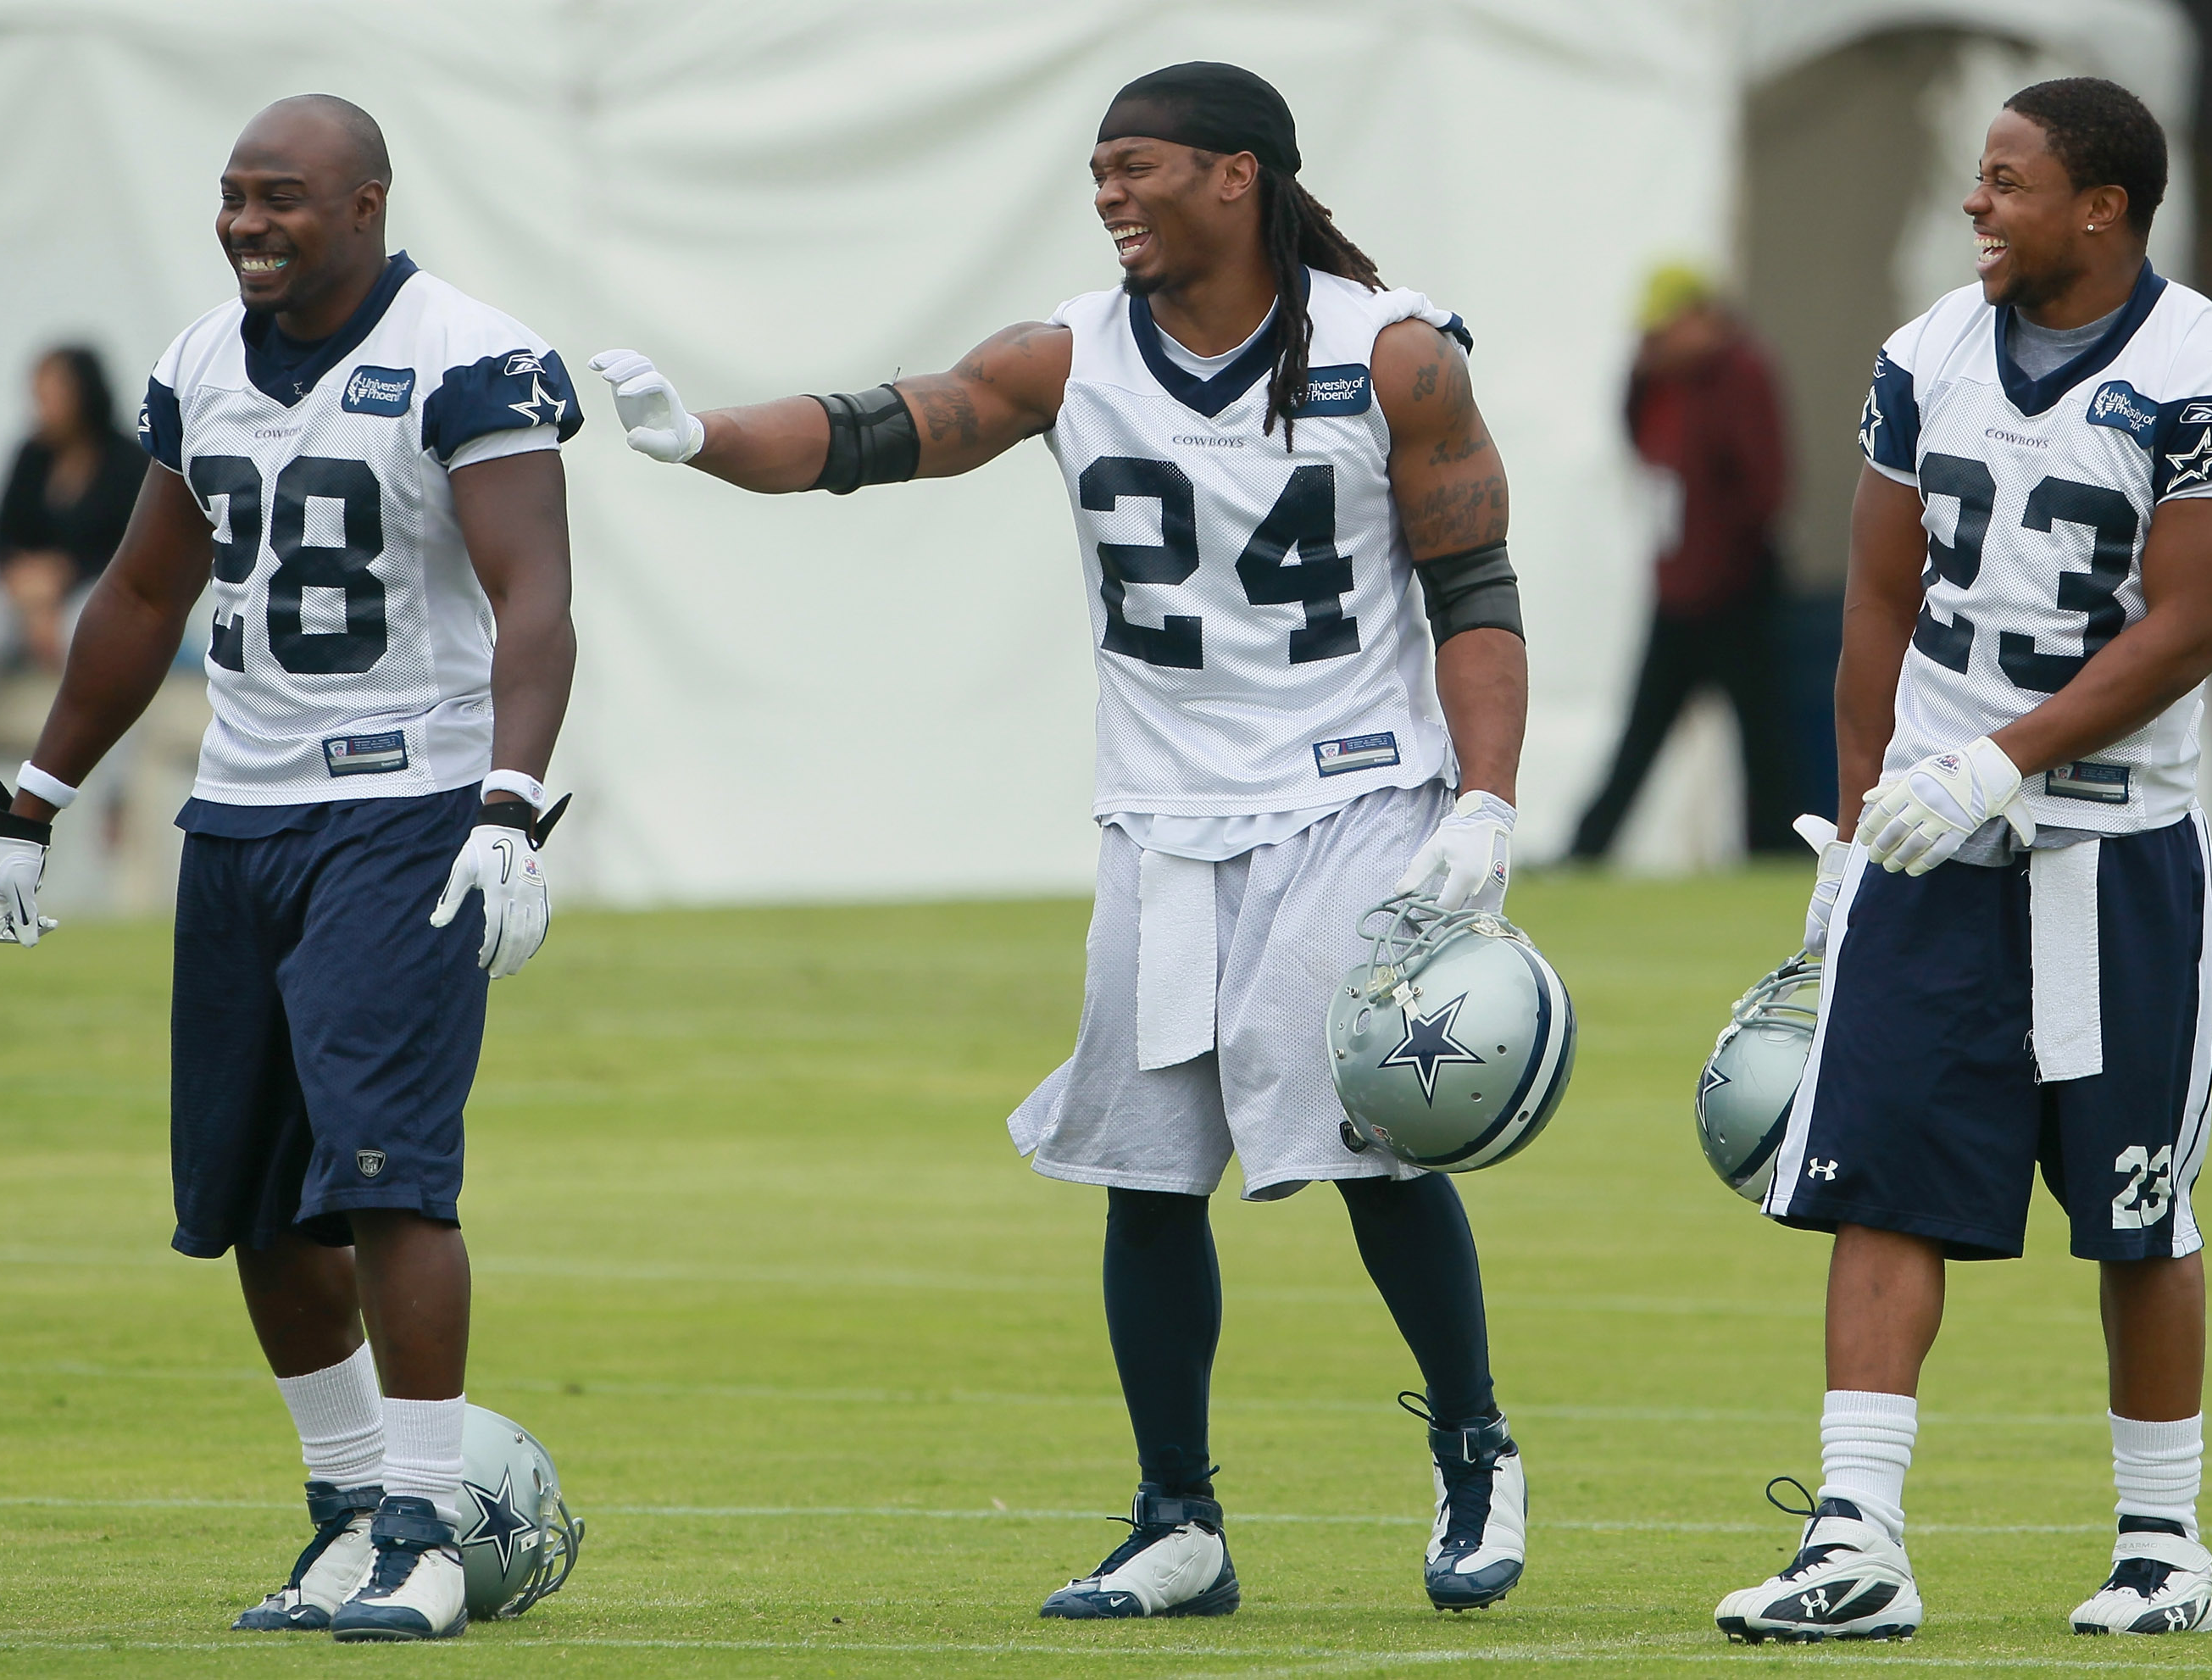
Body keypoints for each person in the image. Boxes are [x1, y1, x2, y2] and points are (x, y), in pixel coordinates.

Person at [591, 61, 1534, 1618]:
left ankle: (1476, 1445)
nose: (1108, 194)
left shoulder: (1397, 353)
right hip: (1166, 811)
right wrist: (699, 434)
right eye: (1097, 169)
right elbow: (876, 432)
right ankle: (1180, 1518)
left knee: (1361, 1125)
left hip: (1356, 789)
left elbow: (1475, 591)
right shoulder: (1067, 354)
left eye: (1138, 166)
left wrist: (1487, 801)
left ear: (1238, 177)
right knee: (1146, 1164)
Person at [0, 94, 581, 1643]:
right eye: (234, 196)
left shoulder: (464, 351)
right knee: (255, 1200)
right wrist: (39, 789)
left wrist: (509, 803)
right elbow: (139, 589)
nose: (249, 222)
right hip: (240, 812)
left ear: (367, 203)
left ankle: (430, 1532)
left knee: (386, 1173)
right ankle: (343, 1510)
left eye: (283, 198)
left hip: (407, 804)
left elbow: (533, 595)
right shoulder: (196, 362)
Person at [1715, 78, 2212, 1643]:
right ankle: (1856, 1539)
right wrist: (1854, 824)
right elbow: (1879, 601)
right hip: (1925, 845)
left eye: (2009, 181)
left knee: (2139, 1208)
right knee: (1877, 1184)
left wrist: (2000, 759)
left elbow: (2186, 627)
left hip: (2111, 854)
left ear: (2100, 207)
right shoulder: (1925, 356)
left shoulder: (2208, 379)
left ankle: (2164, 1545)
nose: (1978, 204)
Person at [1567, 265, 1796, 859]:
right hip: (1678, 586)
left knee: (1762, 737)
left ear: (1702, 318)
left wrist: (1726, 564)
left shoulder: (1740, 373)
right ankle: (1586, 851)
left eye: (1665, 331)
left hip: (1736, 586)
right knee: (1641, 733)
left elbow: (1764, 485)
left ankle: (1770, 854)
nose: (1655, 345)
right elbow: (1639, 443)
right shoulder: (1662, 381)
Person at [0, 346, 149, 847]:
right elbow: (0, 536)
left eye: (51, 393)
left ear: (83, 393)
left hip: (92, 588)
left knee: (103, 646)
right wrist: (30, 590)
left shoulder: (127, 460)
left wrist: (59, 581)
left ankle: (114, 799)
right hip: (25, 595)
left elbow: (129, 547)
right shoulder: (30, 454)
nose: (40, 406)